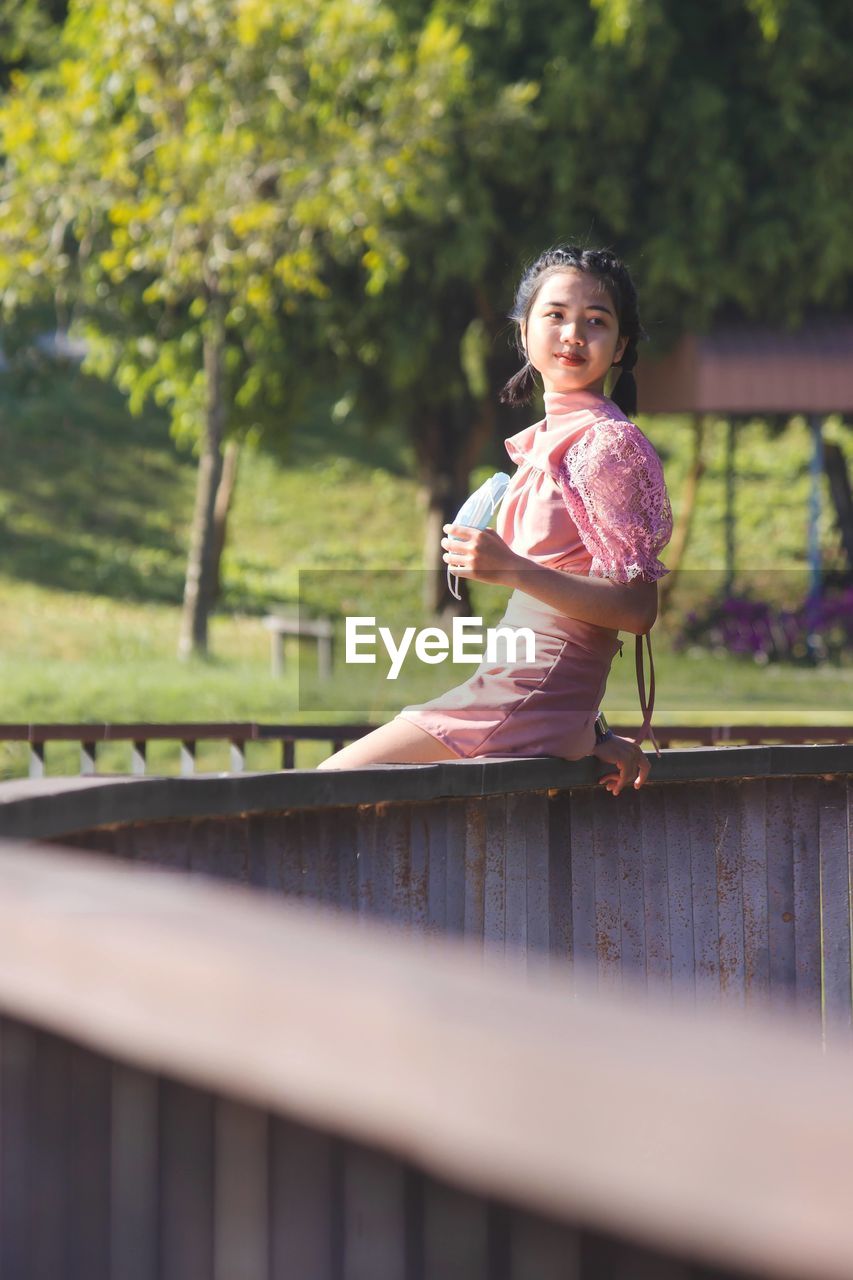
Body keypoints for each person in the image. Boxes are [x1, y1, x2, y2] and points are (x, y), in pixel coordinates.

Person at [318, 245, 673, 796]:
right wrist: (591, 729)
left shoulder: (607, 445)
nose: (574, 334)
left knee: (329, 786)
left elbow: (636, 609)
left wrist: (512, 570)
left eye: (596, 322)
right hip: (527, 699)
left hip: (519, 702)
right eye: (555, 315)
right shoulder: (555, 440)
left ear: (621, 345)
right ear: (524, 332)